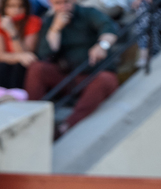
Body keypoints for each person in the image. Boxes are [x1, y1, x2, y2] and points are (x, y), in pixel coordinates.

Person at [25, 0, 119, 135]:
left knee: (105, 79)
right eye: (58, 3)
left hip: (93, 74)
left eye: (66, 2)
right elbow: (45, 55)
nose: (63, 6)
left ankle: (66, 126)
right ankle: (31, 121)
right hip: (67, 76)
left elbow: (108, 28)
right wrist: (55, 29)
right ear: (51, 4)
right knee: (37, 68)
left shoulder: (88, 13)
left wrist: (102, 45)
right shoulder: (50, 21)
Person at [0, 0, 39, 89]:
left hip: (22, 69)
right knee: (2, 66)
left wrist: (12, 32)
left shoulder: (33, 21)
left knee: (19, 66)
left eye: (20, 6)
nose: (16, 10)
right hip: (4, 66)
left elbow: (27, 56)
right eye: (11, 6)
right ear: (4, 8)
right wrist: (18, 57)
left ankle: (17, 98)